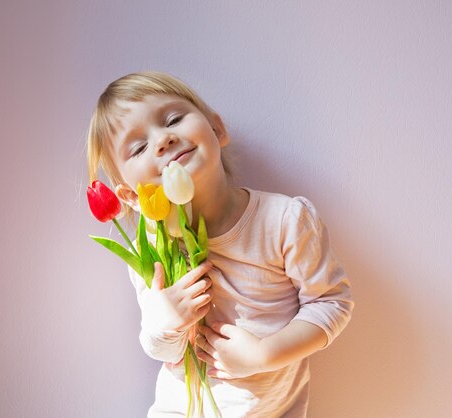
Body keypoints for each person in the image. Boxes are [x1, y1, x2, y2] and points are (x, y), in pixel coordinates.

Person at [86, 71, 353, 417]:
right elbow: (163, 350)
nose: (162, 140)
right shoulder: (150, 251)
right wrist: (165, 321)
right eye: (138, 147)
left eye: (173, 119)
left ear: (217, 129)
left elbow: (332, 301)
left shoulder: (283, 220)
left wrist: (264, 354)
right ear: (129, 196)